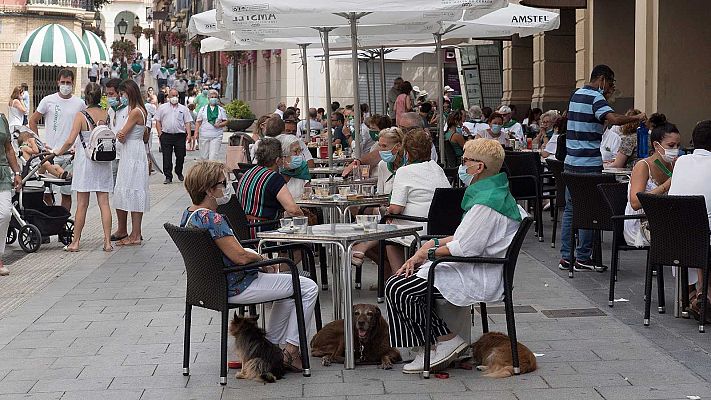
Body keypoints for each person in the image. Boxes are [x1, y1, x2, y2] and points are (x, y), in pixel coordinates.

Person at [385, 138, 527, 373]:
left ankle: (444, 342)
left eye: (465, 161)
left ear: (478, 167)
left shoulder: (487, 204)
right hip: (472, 264)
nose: (462, 166)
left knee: (398, 288)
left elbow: (465, 248)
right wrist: (429, 246)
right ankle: (429, 344)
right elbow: (464, 237)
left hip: (477, 269)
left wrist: (427, 252)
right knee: (400, 281)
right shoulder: (492, 192)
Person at [181, 160, 317, 370]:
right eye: (222, 183)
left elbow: (233, 251)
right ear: (209, 189)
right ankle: (290, 351)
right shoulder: (213, 218)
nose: (227, 187)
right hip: (236, 285)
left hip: (211, 286)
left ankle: (267, 349)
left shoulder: (190, 215)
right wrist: (262, 260)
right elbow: (240, 257)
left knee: (289, 285)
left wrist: (256, 259)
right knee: (308, 287)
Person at [559, 65, 646, 272]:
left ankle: (566, 256)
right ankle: (583, 257)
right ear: (602, 79)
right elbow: (613, 119)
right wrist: (637, 117)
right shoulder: (596, 98)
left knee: (571, 209)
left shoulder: (575, 95)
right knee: (590, 209)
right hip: (588, 164)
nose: (611, 88)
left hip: (570, 162)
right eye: (611, 83)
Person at [49, 83, 113, 252]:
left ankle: (76, 242)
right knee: (104, 203)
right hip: (103, 161)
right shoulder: (106, 113)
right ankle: (107, 242)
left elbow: (70, 140)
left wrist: (57, 152)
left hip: (86, 162)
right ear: (100, 97)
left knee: (82, 204)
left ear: (86, 96)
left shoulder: (81, 115)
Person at [381, 128, 451, 272]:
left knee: (388, 238)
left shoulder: (404, 171)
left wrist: (387, 212)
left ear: (406, 151)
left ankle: (399, 277)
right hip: (441, 228)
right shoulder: (437, 169)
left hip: (417, 230)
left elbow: (395, 209)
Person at [669, 120, 711, 316]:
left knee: (700, 229)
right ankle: (704, 294)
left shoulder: (681, 162)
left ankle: (700, 294)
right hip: (702, 239)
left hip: (674, 240)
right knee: (705, 231)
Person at [29, 68, 86, 210]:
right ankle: (48, 222)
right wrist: (40, 144)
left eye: (68, 83)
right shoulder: (48, 100)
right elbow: (33, 121)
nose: (65, 85)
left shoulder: (79, 103)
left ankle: (62, 225)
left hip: (70, 155)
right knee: (47, 193)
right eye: (63, 82)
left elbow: (85, 127)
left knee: (67, 194)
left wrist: (78, 146)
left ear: (73, 84)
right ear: (58, 82)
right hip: (50, 155)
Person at [624, 122, 680, 247]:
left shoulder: (671, 165)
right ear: (656, 145)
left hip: (662, 219)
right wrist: (666, 186)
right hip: (640, 224)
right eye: (671, 146)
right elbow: (635, 203)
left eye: (678, 145)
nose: (675, 150)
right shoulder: (643, 166)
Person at [112, 80, 150, 247]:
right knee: (134, 190)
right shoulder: (142, 110)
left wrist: (120, 134)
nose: (121, 97)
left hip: (132, 153)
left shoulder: (135, 112)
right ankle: (136, 233)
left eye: (123, 94)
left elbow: (122, 133)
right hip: (135, 151)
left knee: (132, 189)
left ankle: (135, 234)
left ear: (130, 93)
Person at [236, 138, 304, 222]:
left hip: (244, 226)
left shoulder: (247, 173)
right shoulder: (273, 178)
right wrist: (304, 219)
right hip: (262, 227)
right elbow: (293, 210)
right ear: (277, 160)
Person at [155, 88, 193, 184]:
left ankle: (178, 171)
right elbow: (158, 121)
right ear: (168, 97)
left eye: (176, 95)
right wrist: (160, 134)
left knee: (180, 156)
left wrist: (188, 134)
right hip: (166, 135)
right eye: (172, 95)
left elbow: (187, 122)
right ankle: (168, 176)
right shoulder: (162, 108)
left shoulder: (183, 109)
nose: (174, 98)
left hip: (180, 135)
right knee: (166, 156)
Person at [0, 118, 23, 276]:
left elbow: (8, 148)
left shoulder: (1, 119)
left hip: (2, 173)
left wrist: (16, 172)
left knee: (5, 213)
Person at [195, 90, 227, 161]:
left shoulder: (221, 110)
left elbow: (226, 121)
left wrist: (220, 124)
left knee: (213, 157)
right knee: (204, 157)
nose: (213, 98)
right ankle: (205, 171)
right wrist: (196, 133)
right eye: (212, 97)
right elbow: (198, 122)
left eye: (215, 97)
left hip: (216, 136)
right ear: (208, 98)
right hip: (204, 135)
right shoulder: (203, 109)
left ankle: (212, 171)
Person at [276, 134, 310, 200]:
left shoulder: (303, 168)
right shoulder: (276, 172)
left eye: (299, 151)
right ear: (284, 153)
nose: (298, 154)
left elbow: (308, 191)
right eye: (295, 151)